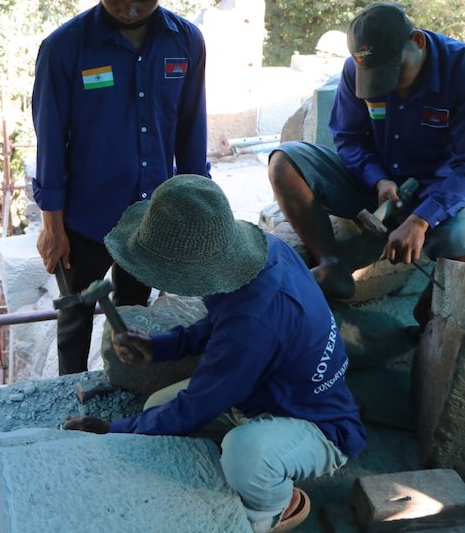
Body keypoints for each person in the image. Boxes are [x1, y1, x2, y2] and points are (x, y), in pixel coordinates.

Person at [64, 175, 366, 533]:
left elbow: (198, 402)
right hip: (265, 389)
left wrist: (114, 431)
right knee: (154, 411)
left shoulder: (251, 326)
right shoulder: (258, 258)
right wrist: (158, 347)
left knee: (244, 455)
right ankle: (250, 447)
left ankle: (275, 507)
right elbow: (221, 325)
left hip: (319, 425)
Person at [32, 0, 208, 374]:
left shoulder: (186, 43)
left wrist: (196, 206)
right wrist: (52, 222)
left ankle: (125, 392)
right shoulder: (64, 48)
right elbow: (49, 136)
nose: (128, 8)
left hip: (151, 218)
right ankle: (67, 400)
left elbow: (191, 129)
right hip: (84, 219)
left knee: (134, 315)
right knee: (75, 319)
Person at [268, 1, 465, 324]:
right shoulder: (355, 70)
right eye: (374, 77)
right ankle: (331, 264)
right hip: (372, 185)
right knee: (285, 160)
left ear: (417, 41)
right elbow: (348, 138)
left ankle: (427, 320)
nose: (387, 85)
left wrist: (421, 220)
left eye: (395, 72)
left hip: (437, 191)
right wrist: (377, 179)